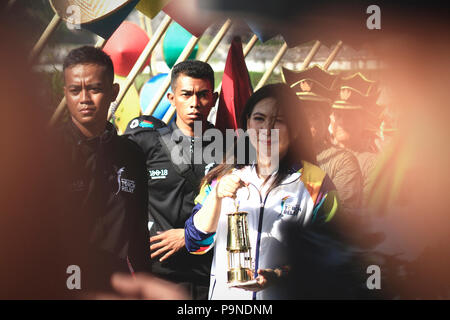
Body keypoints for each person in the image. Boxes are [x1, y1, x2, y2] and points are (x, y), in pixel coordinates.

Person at [185, 83, 340, 299]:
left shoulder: (316, 183)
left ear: (295, 130)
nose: (267, 129)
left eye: (279, 121)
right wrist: (217, 195)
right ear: (247, 124)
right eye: (259, 119)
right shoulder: (222, 177)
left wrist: (280, 274)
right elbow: (195, 242)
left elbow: (330, 252)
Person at [53, 46, 150, 294]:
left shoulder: (132, 154)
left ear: (113, 91)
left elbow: (138, 232)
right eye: (75, 90)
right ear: (66, 93)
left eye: (94, 89)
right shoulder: (45, 153)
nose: (84, 98)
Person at [124, 60, 219, 300]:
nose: (195, 103)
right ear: (171, 97)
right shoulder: (143, 144)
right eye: (186, 94)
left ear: (214, 98)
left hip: (212, 276)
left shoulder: (232, 150)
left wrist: (187, 236)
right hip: (159, 276)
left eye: (203, 95)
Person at [286, 65, 363, 214]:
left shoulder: (342, 161)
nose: (305, 123)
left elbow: (343, 217)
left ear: (327, 122)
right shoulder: (279, 156)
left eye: (313, 116)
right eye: (299, 116)